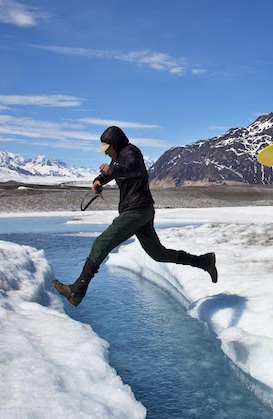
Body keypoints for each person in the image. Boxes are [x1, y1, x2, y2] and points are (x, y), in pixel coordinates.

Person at [53, 126, 217, 307]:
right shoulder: (118, 159)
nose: (106, 153)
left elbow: (129, 169)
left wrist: (111, 171)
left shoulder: (131, 153)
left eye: (108, 149)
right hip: (142, 211)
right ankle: (204, 261)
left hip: (136, 211)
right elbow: (114, 171)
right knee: (159, 254)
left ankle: (77, 291)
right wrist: (98, 181)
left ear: (115, 144)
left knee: (101, 243)